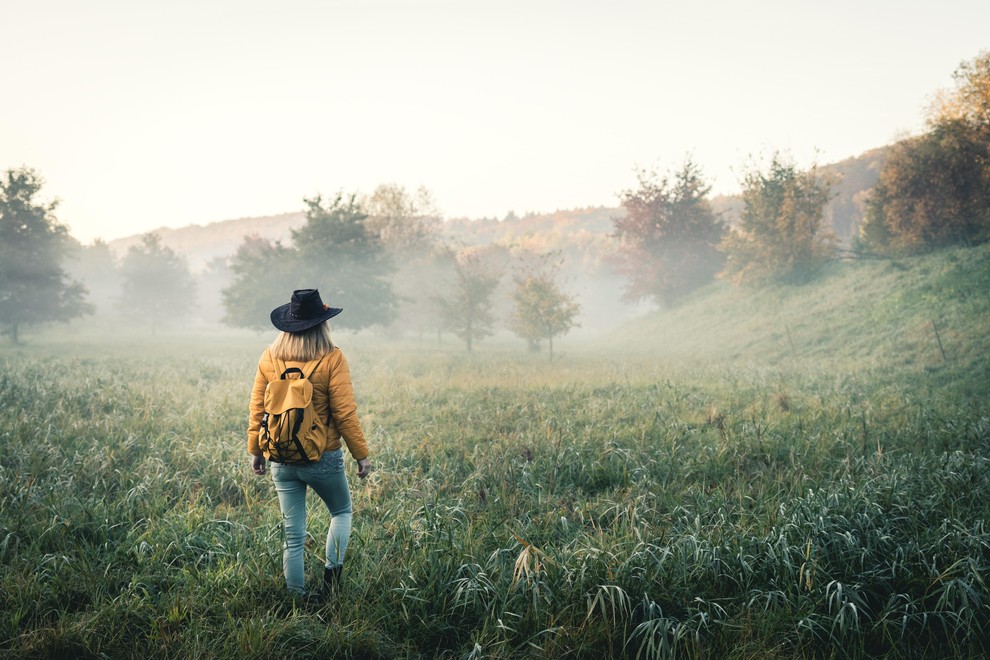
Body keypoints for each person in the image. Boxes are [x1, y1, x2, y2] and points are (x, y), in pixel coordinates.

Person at [248, 288, 371, 597]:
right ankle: (331, 587)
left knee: (293, 534)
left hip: (280, 455)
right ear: (322, 324)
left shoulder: (270, 356)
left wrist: (256, 451)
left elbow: (258, 409)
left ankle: (295, 596)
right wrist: (361, 454)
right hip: (323, 456)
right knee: (341, 512)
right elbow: (344, 413)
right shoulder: (332, 358)